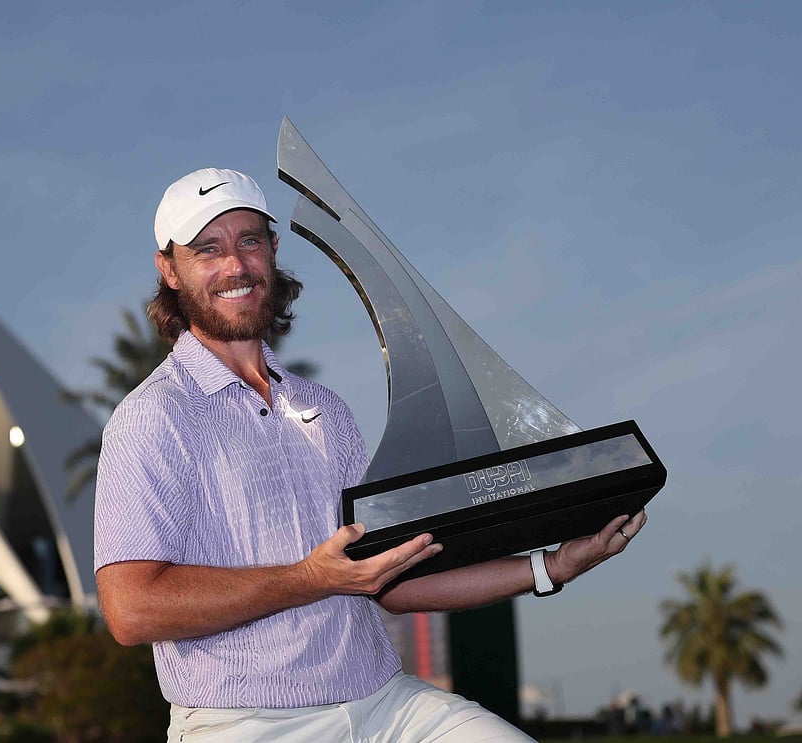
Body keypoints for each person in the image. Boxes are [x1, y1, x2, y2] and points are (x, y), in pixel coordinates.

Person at [94, 167, 647, 742]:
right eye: (208, 248)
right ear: (169, 270)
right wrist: (310, 577)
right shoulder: (152, 417)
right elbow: (131, 609)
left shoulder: (323, 409)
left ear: (273, 251)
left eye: (249, 241)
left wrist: (550, 567)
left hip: (387, 706)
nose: (235, 265)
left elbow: (391, 578)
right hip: (248, 725)